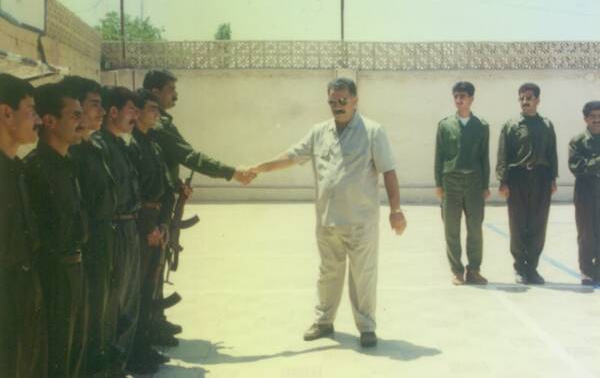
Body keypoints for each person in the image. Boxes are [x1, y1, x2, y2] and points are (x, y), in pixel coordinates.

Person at [250, 77, 407, 348]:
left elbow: (388, 171)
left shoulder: (373, 131)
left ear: (355, 101)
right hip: (327, 221)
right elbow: (291, 156)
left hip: (360, 221)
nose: (337, 106)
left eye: (342, 100)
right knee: (328, 273)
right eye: (332, 101)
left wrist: (396, 210)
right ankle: (324, 322)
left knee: (363, 276)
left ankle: (367, 327)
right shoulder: (318, 132)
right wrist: (258, 168)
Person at [143, 69, 255, 345]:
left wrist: (176, 184)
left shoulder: (160, 122)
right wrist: (231, 172)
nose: (175, 95)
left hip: (163, 199)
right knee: (152, 267)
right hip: (153, 206)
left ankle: (155, 320)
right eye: (170, 89)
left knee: (158, 264)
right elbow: (189, 156)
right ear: (155, 92)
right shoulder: (160, 125)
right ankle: (150, 324)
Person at [24, 82, 88, 378]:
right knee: (53, 358)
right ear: (49, 121)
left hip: (74, 269)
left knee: (75, 354)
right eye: (75, 115)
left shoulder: (68, 163)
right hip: (51, 276)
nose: (82, 122)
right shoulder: (34, 170)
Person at [62, 76, 118, 377]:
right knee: (85, 320)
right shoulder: (72, 154)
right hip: (88, 246)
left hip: (104, 240)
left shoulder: (94, 148)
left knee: (101, 314)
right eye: (94, 104)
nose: (102, 111)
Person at [92, 86, 142, 376]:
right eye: (131, 110)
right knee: (114, 305)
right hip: (115, 229)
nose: (135, 116)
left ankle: (120, 367)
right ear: (113, 112)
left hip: (129, 226)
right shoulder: (100, 146)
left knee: (129, 303)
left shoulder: (120, 145)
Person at [0, 73, 47, 378]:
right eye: (31, 111)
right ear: (6, 113)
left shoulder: (18, 170)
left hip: (24, 293)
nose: (38, 120)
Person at [126, 89, 173, 372]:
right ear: (138, 112)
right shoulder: (132, 146)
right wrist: (149, 227)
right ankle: (135, 353)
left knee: (149, 289)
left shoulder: (152, 144)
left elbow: (164, 186)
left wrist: (164, 222)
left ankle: (145, 346)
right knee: (138, 291)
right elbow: (135, 193)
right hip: (144, 226)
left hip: (156, 222)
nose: (156, 113)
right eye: (151, 109)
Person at [496, 83, 558, 285]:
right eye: (522, 98)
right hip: (518, 178)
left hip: (541, 178)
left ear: (537, 100)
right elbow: (503, 154)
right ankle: (520, 268)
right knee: (518, 224)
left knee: (538, 224)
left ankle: (532, 268)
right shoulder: (511, 125)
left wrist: (553, 178)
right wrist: (503, 181)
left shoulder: (546, 125)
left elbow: (552, 153)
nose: (525, 101)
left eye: (529, 98)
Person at [434, 81, 490, 286]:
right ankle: (457, 271)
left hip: (474, 182)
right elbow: (439, 156)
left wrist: (485, 185)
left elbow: (484, 157)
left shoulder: (481, 125)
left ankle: (474, 270)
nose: (459, 100)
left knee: (475, 228)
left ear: (471, 98)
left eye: (463, 96)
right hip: (451, 182)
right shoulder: (445, 125)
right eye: (456, 96)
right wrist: (438, 184)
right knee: (451, 229)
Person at [568, 101, 600, 286]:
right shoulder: (577, 141)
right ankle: (587, 270)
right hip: (585, 192)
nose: (597, 120)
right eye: (592, 116)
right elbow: (576, 167)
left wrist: (591, 164)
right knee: (586, 232)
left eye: (599, 116)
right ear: (585, 119)